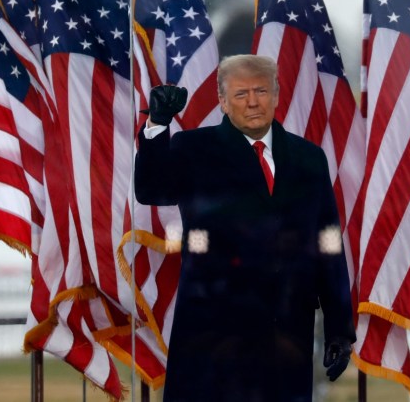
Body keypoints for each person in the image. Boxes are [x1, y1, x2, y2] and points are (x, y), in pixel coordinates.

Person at [134, 54, 355, 402]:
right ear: (222, 101)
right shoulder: (193, 148)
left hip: (286, 333)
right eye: (240, 94)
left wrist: (339, 328)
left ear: (277, 94)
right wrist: (158, 125)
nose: (253, 101)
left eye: (261, 90)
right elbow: (152, 190)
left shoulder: (309, 157)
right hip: (211, 332)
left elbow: (327, 241)